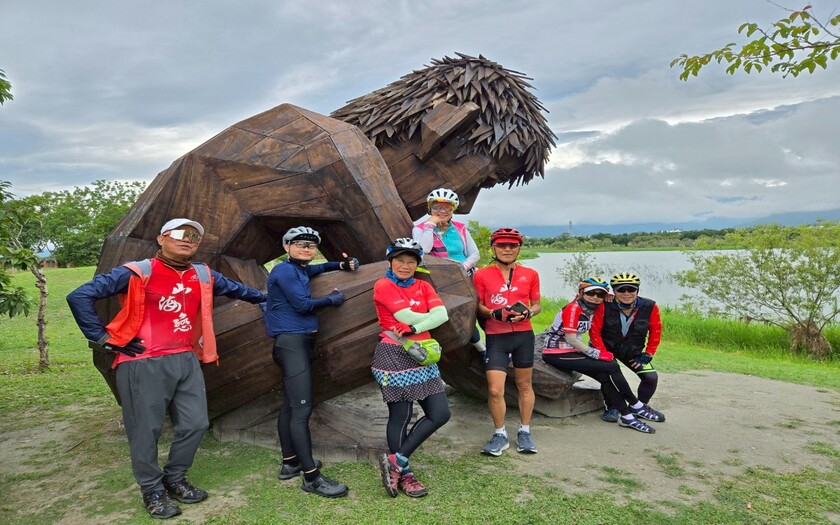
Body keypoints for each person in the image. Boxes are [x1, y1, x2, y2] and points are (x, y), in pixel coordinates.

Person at [66, 218, 268, 519]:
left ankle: (175, 478)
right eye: (179, 234)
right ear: (162, 238)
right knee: (145, 430)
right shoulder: (138, 271)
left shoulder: (202, 274)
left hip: (185, 358)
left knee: (196, 423)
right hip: (141, 362)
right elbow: (79, 295)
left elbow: (241, 291)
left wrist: (271, 299)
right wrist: (103, 338)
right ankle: (152, 490)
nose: (187, 240)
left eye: (194, 237)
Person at [263, 226, 359, 499]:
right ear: (286, 247)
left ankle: (290, 463)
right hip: (292, 343)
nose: (306, 248)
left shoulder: (300, 269)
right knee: (301, 411)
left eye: (311, 245)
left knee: (290, 407)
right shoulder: (283, 270)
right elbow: (303, 305)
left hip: (296, 343)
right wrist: (333, 299)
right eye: (300, 244)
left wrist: (342, 263)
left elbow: (320, 268)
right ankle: (311, 477)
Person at [372, 238, 451, 498]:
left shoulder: (423, 285)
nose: (405, 266)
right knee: (401, 416)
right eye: (399, 261)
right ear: (391, 262)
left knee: (440, 413)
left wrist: (417, 327)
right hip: (395, 352)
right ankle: (405, 475)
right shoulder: (384, 285)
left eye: (410, 261)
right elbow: (405, 316)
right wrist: (423, 319)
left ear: (417, 264)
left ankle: (397, 460)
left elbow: (443, 316)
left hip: (422, 353)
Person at [542, 277, 663, 434]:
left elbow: (655, 329)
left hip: (573, 351)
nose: (595, 297)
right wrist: (594, 352)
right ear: (581, 293)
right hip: (555, 352)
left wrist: (648, 353)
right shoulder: (573, 308)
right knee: (611, 365)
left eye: (600, 294)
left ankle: (626, 416)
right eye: (591, 293)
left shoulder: (593, 307)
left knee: (604, 376)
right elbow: (570, 338)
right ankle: (635, 405)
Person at [473, 227, 541, 456]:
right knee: (494, 389)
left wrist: (529, 313)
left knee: (524, 385)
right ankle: (500, 434)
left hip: (523, 335)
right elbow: (479, 305)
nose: (507, 249)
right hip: (496, 336)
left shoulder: (530, 273)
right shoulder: (481, 274)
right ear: (493, 248)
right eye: (502, 245)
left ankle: (525, 431)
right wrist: (493, 313)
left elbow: (537, 304)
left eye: (512, 245)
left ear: (519, 248)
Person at [412, 188, 485, 355]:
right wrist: (430, 226)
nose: (442, 211)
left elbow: (474, 254)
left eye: (447, 207)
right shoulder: (420, 229)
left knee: (481, 307)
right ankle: (480, 348)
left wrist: (462, 268)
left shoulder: (460, 228)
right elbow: (423, 249)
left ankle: (492, 345)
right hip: (441, 279)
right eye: (437, 207)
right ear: (430, 209)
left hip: (466, 272)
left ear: (453, 210)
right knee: (459, 313)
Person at [589, 272, 665, 424]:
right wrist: (603, 353)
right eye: (621, 290)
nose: (626, 293)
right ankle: (611, 407)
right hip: (606, 348)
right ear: (614, 291)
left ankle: (638, 408)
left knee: (650, 377)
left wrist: (648, 354)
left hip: (632, 350)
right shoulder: (604, 304)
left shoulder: (649, 306)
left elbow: (656, 330)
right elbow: (594, 331)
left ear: (637, 290)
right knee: (610, 375)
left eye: (631, 289)